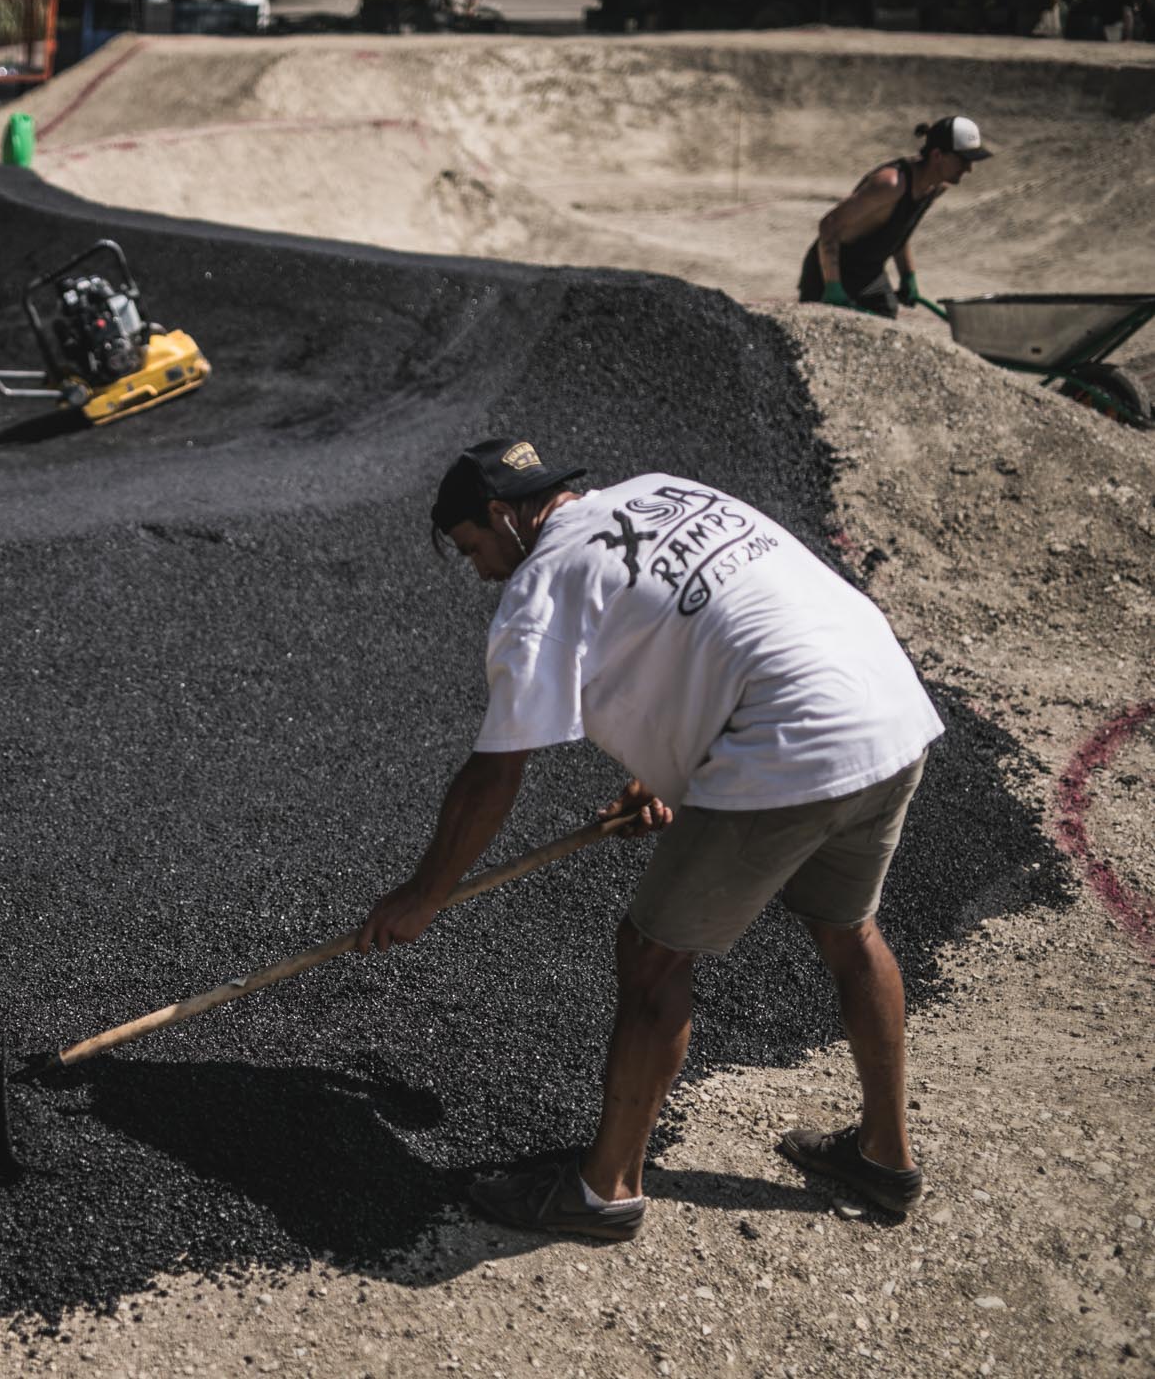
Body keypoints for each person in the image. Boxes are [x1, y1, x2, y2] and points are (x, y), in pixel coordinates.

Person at [357, 438, 943, 1241]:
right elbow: (702, 630)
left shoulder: (543, 583)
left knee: (652, 954)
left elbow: (494, 777)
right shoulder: (663, 489)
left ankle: (603, 1193)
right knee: (849, 931)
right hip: (886, 708)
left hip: (795, 738)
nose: (481, 569)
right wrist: (668, 780)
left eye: (473, 548)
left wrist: (424, 895)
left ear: (503, 516)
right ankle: (885, 1157)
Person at [799, 115, 990, 318]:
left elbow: (899, 229)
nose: (969, 169)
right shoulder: (891, 184)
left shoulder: (936, 187)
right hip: (829, 273)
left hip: (868, 273)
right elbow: (829, 225)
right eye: (964, 160)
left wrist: (908, 276)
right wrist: (833, 286)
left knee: (886, 317)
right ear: (937, 155)